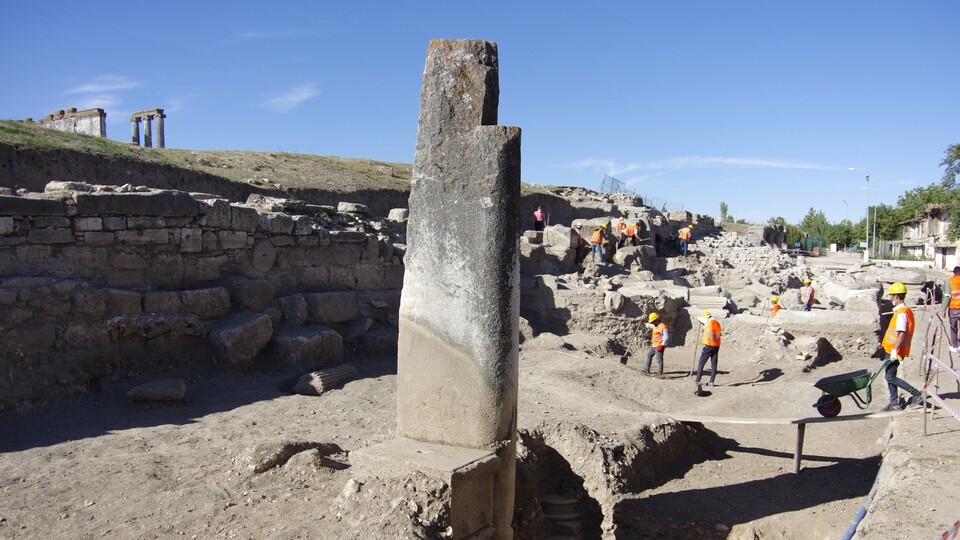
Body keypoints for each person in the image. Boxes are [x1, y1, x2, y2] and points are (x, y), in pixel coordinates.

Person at [881, 282, 923, 411]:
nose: (890, 298)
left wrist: (895, 350)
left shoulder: (902, 313)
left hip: (895, 350)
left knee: (890, 376)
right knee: (889, 375)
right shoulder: (901, 311)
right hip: (891, 349)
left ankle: (916, 394)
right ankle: (894, 403)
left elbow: (901, 333)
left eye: (891, 295)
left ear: (897, 296)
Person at [695, 311, 722, 392]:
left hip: (709, 345)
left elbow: (698, 318)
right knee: (714, 364)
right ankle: (711, 381)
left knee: (701, 363)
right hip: (716, 346)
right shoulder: (717, 323)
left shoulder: (708, 321)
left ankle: (697, 380)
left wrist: (701, 320)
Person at [943, 266, 960, 353]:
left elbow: (947, 296)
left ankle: (955, 346)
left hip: (954, 308)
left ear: (954, 273)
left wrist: (943, 309)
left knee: (953, 327)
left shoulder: (951, 281)